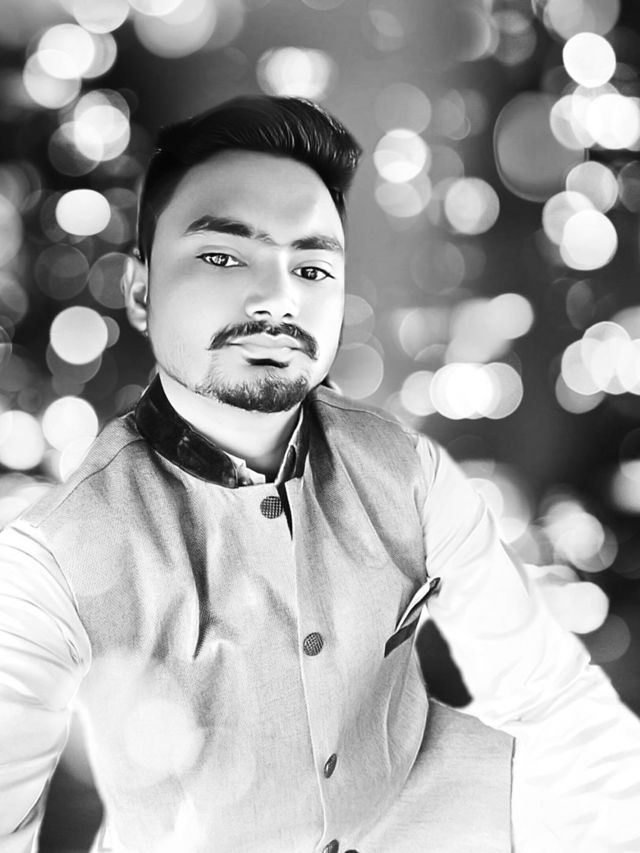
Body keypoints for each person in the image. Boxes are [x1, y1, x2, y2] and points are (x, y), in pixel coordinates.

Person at [1, 95, 639, 853]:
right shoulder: (56, 549)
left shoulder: (406, 470)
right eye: (222, 256)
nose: (278, 298)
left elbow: (553, 698)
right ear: (142, 292)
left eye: (310, 267)